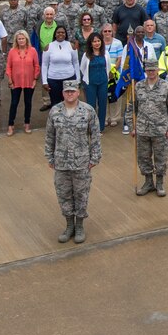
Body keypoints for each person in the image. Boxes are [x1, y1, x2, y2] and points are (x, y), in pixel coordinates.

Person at [45, 80, 102, 244]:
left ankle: (79, 226)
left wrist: (95, 157)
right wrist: (49, 157)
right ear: (63, 93)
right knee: (64, 195)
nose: (70, 94)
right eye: (67, 91)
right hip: (61, 162)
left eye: (73, 91)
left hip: (81, 162)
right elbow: (50, 136)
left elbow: (95, 136)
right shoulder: (55, 111)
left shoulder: (88, 111)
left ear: (78, 92)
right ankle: (69, 225)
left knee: (81, 194)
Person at [132, 59, 168, 197]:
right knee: (143, 157)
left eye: (153, 70)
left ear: (158, 70)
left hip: (160, 130)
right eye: (148, 70)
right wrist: (133, 126)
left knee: (161, 158)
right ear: (145, 71)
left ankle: (159, 183)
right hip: (142, 129)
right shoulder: (138, 86)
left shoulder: (166, 86)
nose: (151, 72)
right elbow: (132, 108)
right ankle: (148, 182)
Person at [6, 29, 40, 135]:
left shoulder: (33, 50)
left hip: (29, 82)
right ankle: (11, 125)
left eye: (23, 38)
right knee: (14, 103)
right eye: (19, 39)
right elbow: (8, 67)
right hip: (15, 82)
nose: (21, 41)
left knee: (28, 103)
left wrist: (35, 79)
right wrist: (10, 80)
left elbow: (36, 66)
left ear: (26, 39)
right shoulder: (12, 51)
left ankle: (27, 124)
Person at [42, 26, 79, 112]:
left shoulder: (71, 46)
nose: (60, 34)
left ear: (65, 34)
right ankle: (57, 123)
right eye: (58, 32)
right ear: (55, 34)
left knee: (70, 102)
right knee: (55, 105)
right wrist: (44, 81)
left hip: (69, 78)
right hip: (53, 80)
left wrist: (78, 79)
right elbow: (44, 65)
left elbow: (76, 63)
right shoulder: (48, 47)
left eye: (63, 32)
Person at [79, 33, 110, 131]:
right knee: (91, 105)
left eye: (98, 41)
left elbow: (108, 67)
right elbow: (82, 68)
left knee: (102, 104)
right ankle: (92, 127)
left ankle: (100, 128)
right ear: (90, 43)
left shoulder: (105, 53)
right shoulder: (86, 55)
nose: (96, 43)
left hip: (103, 82)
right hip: (90, 83)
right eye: (94, 41)